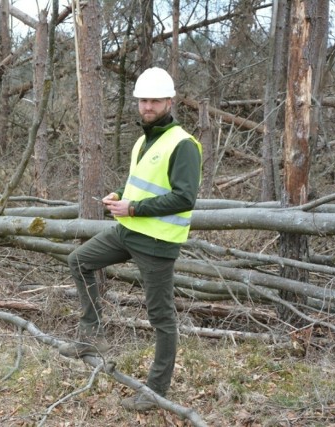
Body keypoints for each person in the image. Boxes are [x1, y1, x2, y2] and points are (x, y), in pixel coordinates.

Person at [58, 67, 202, 412]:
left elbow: (185, 198)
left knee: (161, 317)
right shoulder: (143, 140)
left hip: (156, 241)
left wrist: (133, 207)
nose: (147, 106)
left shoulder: (184, 144)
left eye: (154, 100)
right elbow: (142, 182)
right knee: (79, 260)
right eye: (142, 100)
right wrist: (119, 194)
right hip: (128, 232)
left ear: (169, 101)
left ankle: (156, 392)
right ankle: (90, 337)